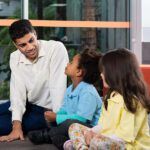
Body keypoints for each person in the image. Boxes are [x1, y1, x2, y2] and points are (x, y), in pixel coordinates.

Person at [66, 48, 150, 150]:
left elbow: (124, 137)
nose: (101, 75)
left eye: (104, 71)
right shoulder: (111, 97)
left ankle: (81, 146)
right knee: (74, 127)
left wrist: (96, 138)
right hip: (108, 140)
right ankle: (83, 147)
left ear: (116, 73)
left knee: (96, 142)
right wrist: (91, 132)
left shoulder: (132, 102)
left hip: (129, 146)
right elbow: (103, 125)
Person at [0, 19, 69, 142]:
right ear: (15, 45)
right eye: (23, 45)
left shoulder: (56, 49)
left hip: (46, 111)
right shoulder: (14, 57)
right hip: (28, 104)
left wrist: (58, 121)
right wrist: (16, 126)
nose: (30, 47)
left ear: (35, 34)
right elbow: (17, 93)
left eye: (31, 40)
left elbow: (57, 87)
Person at [28, 49, 102, 149]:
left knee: (69, 123)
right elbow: (65, 109)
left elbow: (82, 119)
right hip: (73, 127)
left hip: (89, 129)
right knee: (53, 122)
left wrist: (57, 118)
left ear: (79, 72)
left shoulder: (88, 92)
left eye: (71, 63)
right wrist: (55, 116)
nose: (68, 63)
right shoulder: (69, 89)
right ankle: (67, 144)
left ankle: (47, 135)